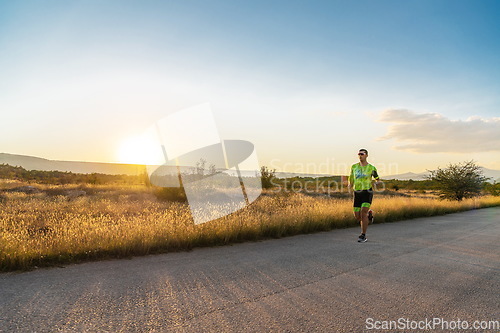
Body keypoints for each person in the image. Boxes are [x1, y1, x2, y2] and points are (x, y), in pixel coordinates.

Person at [348, 149, 380, 242]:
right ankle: (369, 215)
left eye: (362, 154)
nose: (360, 156)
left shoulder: (371, 168)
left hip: (367, 191)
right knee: (358, 217)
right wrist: (350, 185)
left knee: (363, 212)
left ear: (366, 155)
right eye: (359, 154)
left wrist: (377, 182)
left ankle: (363, 235)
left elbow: (377, 179)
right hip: (357, 192)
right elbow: (351, 178)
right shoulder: (354, 167)